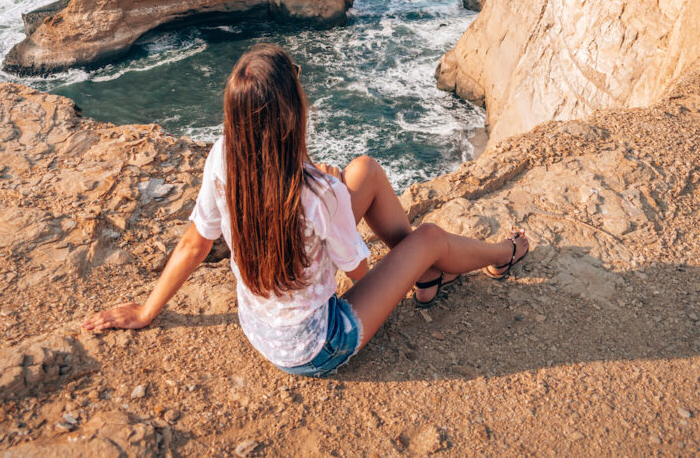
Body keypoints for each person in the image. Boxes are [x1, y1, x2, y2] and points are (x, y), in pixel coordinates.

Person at [83, 44, 529, 376]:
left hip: (260, 330)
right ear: (291, 109)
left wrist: (147, 311)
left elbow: (195, 242)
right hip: (317, 348)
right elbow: (358, 271)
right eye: (297, 77)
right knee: (428, 237)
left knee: (365, 171)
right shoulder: (318, 193)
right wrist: (335, 196)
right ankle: (503, 255)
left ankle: (432, 275)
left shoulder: (223, 156)